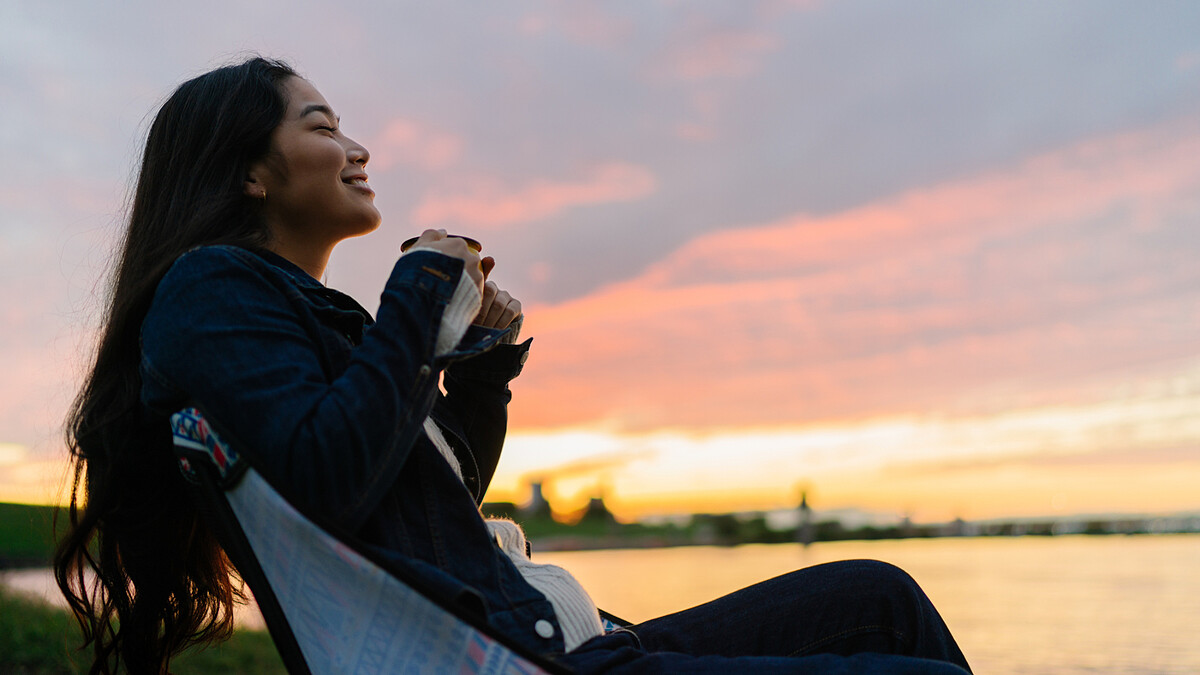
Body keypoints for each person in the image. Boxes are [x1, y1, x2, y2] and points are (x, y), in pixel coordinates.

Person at [54, 57, 972, 674]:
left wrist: (476, 372)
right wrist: (418, 287)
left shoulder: (301, 317)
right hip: (536, 658)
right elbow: (328, 478)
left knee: (880, 595)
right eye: (324, 125)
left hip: (569, 633)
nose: (359, 148)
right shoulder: (209, 289)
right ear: (249, 171)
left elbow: (426, 509)